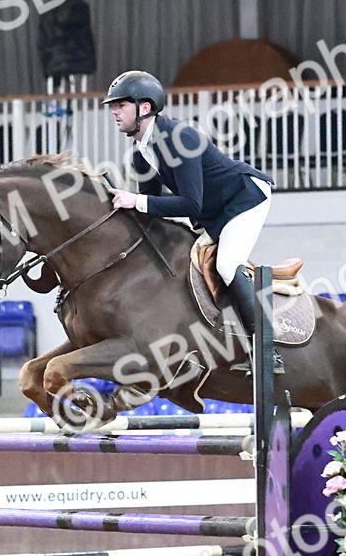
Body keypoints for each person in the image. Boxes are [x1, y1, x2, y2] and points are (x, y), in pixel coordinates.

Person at [102, 70, 283, 374]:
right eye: (113, 106)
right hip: (212, 213)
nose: (114, 112)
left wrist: (135, 200)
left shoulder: (180, 138)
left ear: (145, 107)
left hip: (244, 198)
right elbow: (152, 208)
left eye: (120, 105)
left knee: (227, 264)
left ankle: (267, 351)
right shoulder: (140, 154)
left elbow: (189, 203)